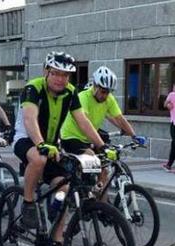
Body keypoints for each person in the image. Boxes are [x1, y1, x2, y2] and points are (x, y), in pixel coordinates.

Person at [13, 51, 106, 231]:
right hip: (26, 139)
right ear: (46, 71)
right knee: (39, 159)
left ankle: (57, 235)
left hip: (51, 145)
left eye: (65, 75)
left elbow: (83, 121)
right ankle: (28, 203)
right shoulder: (33, 88)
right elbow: (29, 120)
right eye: (55, 73)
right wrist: (41, 144)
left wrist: (102, 145)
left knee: (64, 186)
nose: (60, 79)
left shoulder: (71, 92)